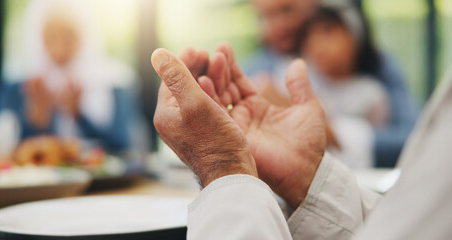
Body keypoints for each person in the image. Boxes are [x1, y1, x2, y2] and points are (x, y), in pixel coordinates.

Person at [151, 44, 452, 239]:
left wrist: (223, 166)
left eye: (286, 9)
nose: (274, 28)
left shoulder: (379, 68)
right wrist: (310, 181)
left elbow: (406, 137)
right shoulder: (259, 63)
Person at [245, 0, 418, 167]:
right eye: (263, 16)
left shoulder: (373, 66)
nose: (277, 26)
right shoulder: (256, 74)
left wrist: (328, 129)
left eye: (286, 10)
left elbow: (413, 140)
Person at [0, 0, 138, 153]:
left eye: (68, 36)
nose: (59, 50)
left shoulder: (115, 82)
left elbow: (124, 147)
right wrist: (38, 121)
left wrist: (79, 116)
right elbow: (9, 152)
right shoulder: (22, 87)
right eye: (50, 37)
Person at [299, 4, 390, 168]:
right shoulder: (305, 86)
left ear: (354, 38)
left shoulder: (371, 94)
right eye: (310, 36)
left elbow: (377, 146)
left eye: (328, 32)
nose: (317, 44)